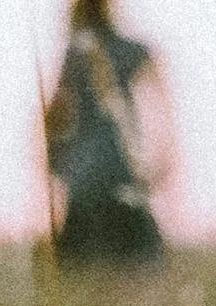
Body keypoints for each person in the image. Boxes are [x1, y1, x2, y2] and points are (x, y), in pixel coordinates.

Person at [46, 0, 172, 267]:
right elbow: (163, 112)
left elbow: (56, 116)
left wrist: (55, 163)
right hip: (121, 173)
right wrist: (159, 167)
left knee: (82, 278)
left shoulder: (75, 52)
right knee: (138, 272)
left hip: (83, 181)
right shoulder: (131, 51)